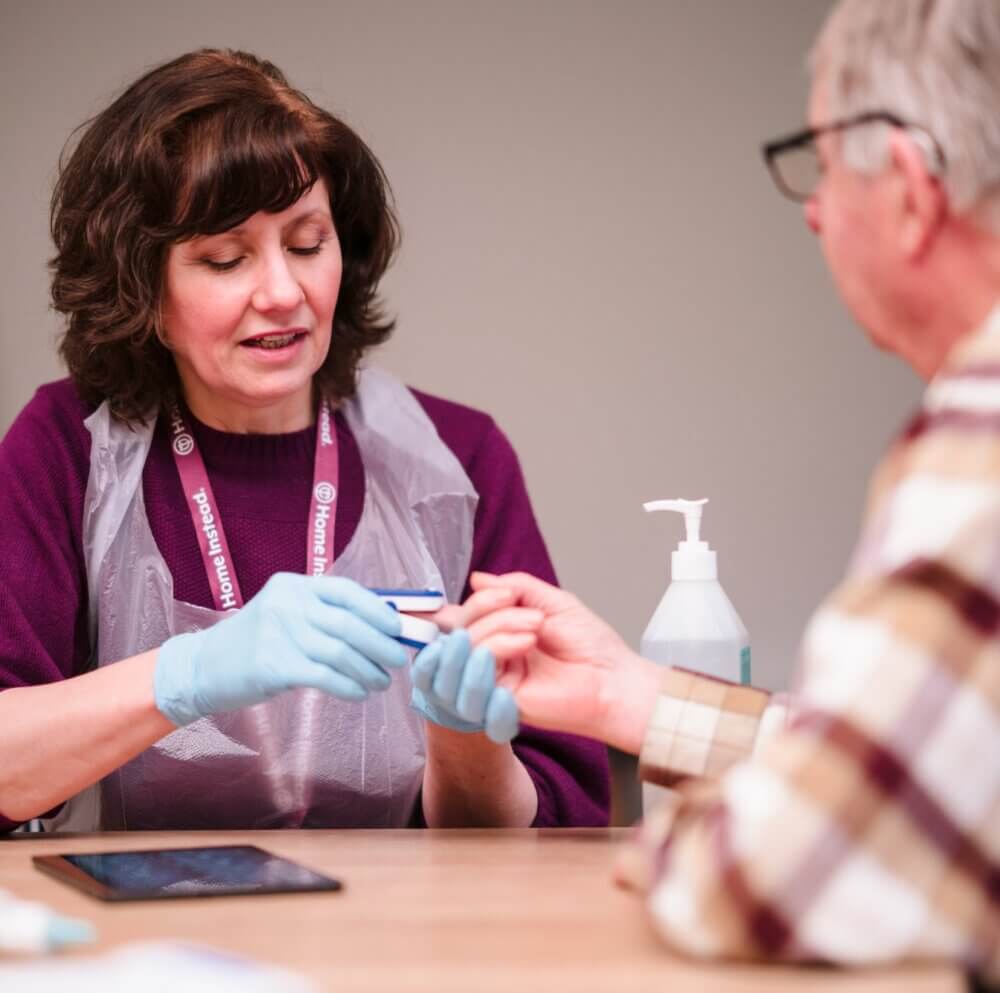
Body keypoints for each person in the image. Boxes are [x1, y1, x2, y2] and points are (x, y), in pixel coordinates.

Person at [414, 0, 1000, 982]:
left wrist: (670, 851)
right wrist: (621, 694)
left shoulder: (977, 437)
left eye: (818, 169)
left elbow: (778, 879)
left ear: (904, 190)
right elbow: (899, 764)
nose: (811, 210)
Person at [0, 49, 608, 833]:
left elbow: (556, 821)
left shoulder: (456, 459)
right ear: (141, 287)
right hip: (141, 943)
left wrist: (467, 744)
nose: (282, 293)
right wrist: (188, 673)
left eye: (307, 242)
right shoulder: (68, 449)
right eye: (225, 258)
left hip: (398, 941)